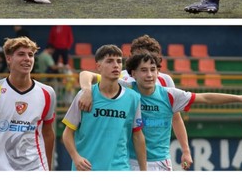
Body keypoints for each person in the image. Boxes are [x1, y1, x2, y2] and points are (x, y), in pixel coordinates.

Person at [116, 52, 242, 171]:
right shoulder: (125, 90)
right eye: (143, 70)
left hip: (161, 163)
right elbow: (95, 77)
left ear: (158, 72)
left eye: (153, 70)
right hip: (130, 162)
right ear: (133, 73)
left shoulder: (169, 95)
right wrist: (90, 88)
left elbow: (206, 98)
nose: (149, 74)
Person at [77, 34, 193, 169]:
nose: (146, 61)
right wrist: (86, 90)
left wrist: (186, 150)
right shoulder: (122, 77)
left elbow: (176, 118)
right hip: (128, 155)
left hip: (159, 159)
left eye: (151, 58)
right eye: (141, 56)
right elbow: (86, 74)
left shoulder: (165, 80)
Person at [62, 45, 147, 171]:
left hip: (119, 168)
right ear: (98, 67)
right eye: (110, 61)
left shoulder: (133, 98)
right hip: (87, 168)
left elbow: (137, 136)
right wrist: (76, 157)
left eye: (119, 61)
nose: (116, 65)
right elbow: (67, 133)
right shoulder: (84, 95)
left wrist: (144, 171)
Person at [0, 36, 56, 170]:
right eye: (21, 54)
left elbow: (48, 133)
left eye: (31, 55)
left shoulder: (47, 93)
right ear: (9, 58)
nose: (27, 59)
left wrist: (48, 170)